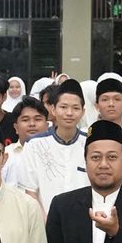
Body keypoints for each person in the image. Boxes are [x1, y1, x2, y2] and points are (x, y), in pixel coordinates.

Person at [17, 79, 89, 214]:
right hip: (45, 220)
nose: (69, 113)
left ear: (83, 112)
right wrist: (46, 223)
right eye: (63, 107)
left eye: (75, 108)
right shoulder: (35, 145)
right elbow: (30, 191)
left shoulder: (90, 144)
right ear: (53, 109)